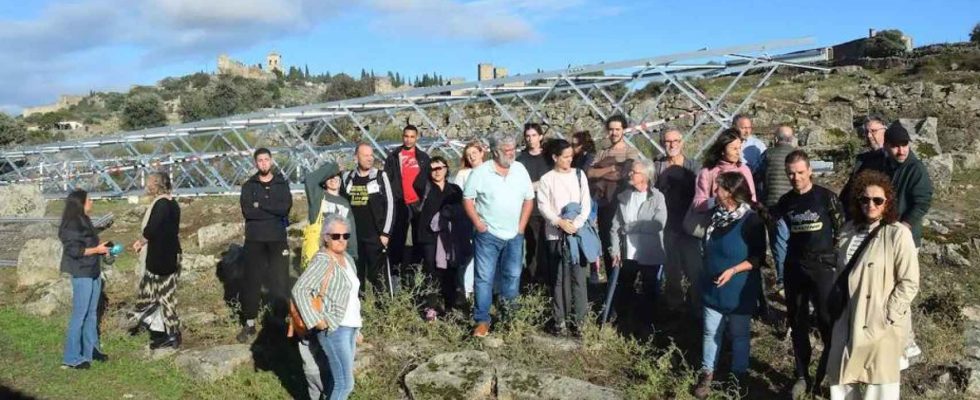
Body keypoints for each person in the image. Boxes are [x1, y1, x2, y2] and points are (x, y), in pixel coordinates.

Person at [826, 170, 919, 400]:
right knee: (840, 379)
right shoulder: (848, 230)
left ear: (887, 203)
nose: (871, 204)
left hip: (880, 323)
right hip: (847, 317)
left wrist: (888, 314)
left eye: (878, 200)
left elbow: (909, 281)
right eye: (865, 199)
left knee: (881, 387)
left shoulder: (898, 234)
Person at [771, 150, 845, 398]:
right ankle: (802, 375)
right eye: (791, 174)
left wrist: (836, 261)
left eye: (800, 172)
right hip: (795, 268)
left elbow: (842, 230)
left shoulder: (826, 197)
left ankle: (830, 375)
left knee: (827, 322)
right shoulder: (785, 201)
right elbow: (769, 220)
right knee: (797, 321)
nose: (796, 178)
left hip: (823, 268)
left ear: (810, 171)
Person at [693, 172, 767, 399]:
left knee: (739, 334)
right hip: (713, 284)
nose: (715, 193)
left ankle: (738, 374)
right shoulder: (716, 215)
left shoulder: (751, 220)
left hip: (738, 287)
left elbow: (758, 258)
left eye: (719, 189)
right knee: (710, 332)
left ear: (731, 193)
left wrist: (733, 270)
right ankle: (707, 373)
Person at [463, 132, 534, 337]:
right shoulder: (481, 173)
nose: (511, 154)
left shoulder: (520, 170)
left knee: (512, 276)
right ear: (495, 152)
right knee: (484, 278)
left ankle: (509, 318)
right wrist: (478, 223)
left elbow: (529, 199)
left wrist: (521, 227)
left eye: (513, 149)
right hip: (488, 234)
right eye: (507, 151)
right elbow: (468, 199)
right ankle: (482, 320)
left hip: (514, 235)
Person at [292, 214, 363, 400]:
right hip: (334, 328)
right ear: (325, 237)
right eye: (335, 236)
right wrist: (317, 320)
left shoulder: (347, 259)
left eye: (345, 236)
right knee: (345, 384)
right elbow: (299, 290)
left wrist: (358, 328)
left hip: (350, 326)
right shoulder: (323, 260)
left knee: (335, 381)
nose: (341, 240)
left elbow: (353, 296)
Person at [537, 139, 594, 335]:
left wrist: (575, 225)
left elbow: (586, 203)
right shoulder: (547, 179)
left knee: (579, 277)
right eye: (566, 157)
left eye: (571, 156)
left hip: (577, 235)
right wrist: (559, 222)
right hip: (555, 235)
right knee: (559, 278)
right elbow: (543, 205)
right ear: (555, 157)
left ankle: (580, 321)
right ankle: (559, 320)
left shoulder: (579, 175)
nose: (570, 160)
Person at [238, 147, 293, 343]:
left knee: (280, 280)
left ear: (271, 161)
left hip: (277, 239)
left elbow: (285, 208)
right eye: (259, 160)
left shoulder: (281, 183)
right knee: (252, 280)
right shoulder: (248, 186)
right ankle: (250, 323)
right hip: (255, 240)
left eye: (266, 160)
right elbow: (248, 212)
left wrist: (260, 205)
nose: (263, 163)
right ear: (255, 163)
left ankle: (280, 321)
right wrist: (271, 210)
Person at [609, 158, 667, 334]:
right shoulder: (625, 196)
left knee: (649, 288)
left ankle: (648, 325)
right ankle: (623, 322)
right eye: (631, 171)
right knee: (626, 287)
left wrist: (633, 226)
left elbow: (658, 224)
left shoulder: (657, 197)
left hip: (650, 253)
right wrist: (615, 250)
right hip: (628, 253)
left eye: (634, 172)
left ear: (645, 176)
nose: (630, 174)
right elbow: (615, 226)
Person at [129, 173, 183, 350]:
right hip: (171, 253)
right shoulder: (173, 203)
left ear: (156, 185)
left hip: (161, 257)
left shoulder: (160, 204)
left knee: (160, 296)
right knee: (160, 295)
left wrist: (140, 241)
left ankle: (169, 333)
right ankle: (166, 332)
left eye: (149, 182)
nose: (146, 186)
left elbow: (151, 229)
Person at [59, 189, 111, 369]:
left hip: (93, 270)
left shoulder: (85, 220)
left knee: (91, 313)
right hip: (82, 273)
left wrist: (100, 248)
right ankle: (71, 357)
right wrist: (97, 250)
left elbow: (88, 245)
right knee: (79, 315)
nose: (92, 203)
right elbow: (74, 251)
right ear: (80, 202)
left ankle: (91, 349)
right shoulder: (72, 224)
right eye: (89, 200)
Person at [654, 128, 702, 313]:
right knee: (671, 269)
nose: (672, 145)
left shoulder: (694, 166)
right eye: (668, 141)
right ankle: (674, 307)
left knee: (694, 268)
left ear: (682, 142)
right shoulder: (657, 167)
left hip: (689, 225)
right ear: (662, 143)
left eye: (676, 141)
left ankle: (697, 306)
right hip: (667, 226)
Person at [587, 115, 641, 279]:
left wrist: (602, 172)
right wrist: (609, 169)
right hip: (605, 205)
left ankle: (626, 285)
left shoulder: (631, 152)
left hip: (624, 204)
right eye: (611, 129)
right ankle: (612, 283)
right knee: (607, 244)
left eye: (617, 129)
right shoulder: (603, 153)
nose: (614, 133)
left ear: (623, 130)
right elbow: (589, 172)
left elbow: (627, 173)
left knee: (625, 244)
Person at [417, 156, 469, 319]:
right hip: (429, 237)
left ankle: (451, 304)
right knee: (432, 270)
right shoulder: (425, 187)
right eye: (433, 169)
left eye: (440, 168)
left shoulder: (454, 190)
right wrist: (427, 167)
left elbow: (462, 210)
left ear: (447, 169)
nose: (437, 172)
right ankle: (431, 306)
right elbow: (416, 182)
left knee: (450, 271)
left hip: (450, 237)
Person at [342, 143, 395, 294]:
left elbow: (390, 205)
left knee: (378, 276)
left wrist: (385, 233)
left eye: (371, 155)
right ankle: (359, 309)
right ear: (356, 158)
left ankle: (384, 311)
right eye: (365, 155)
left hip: (376, 235)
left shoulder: (380, 176)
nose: (370, 158)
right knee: (356, 274)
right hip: (354, 236)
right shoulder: (348, 178)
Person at [384, 125, 432, 287]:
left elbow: (428, 181)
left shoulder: (423, 158)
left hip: (417, 203)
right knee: (397, 239)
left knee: (419, 238)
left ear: (416, 137)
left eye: (412, 136)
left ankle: (416, 272)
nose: (409, 139)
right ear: (402, 137)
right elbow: (387, 180)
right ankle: (395, 275)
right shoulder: (393, 157)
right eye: (406, 136)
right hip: (400, 202)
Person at [758, 125, 797, 288]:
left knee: (780, 245)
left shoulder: (768, 154)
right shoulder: (797, 155)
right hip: (795, 206)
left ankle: (782, 280)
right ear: (792, 139)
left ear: (776, 139)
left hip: (773, 207)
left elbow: (759, 178)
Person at [517, 123, 551, 286]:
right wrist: (535, 186)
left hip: (550, 209)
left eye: (534, 135)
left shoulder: (549, 157)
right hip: (531, 210)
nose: (530, 139)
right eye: (528, 136)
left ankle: (548, 280)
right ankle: (533, 282)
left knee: (549, 247)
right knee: (533, 246)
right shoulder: (521, 160)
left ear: (541, 137)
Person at [304, 161, 357, 265]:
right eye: (330, 177)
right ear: (324, 181)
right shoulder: (317, 196)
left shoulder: (345, 202)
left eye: (336, 176)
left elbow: (351, 229)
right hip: (319, 248)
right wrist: (334, 167)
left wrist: (352, 252)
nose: (333, 179)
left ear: (341, 180)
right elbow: (310, 180)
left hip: (339, 250)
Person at [692, 129, 756, 213]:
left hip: (740, 221)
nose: (738, 152)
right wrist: (717, 200)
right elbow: (697, 204)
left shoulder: (744, 169)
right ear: (722, 150)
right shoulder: (707, 172)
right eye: (734, 149)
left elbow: (752, 199)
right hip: (714, 221)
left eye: (740, 148)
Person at [839, 116, 888, 220]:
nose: (869, 136)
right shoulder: (862, 159)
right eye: (866, 132)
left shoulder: (891, 159)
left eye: (873, 131)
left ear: (885, 131)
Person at [454, 140, 486, 299]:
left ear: (482, 153)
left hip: (489, 219)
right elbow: (458, 197)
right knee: (471, 255)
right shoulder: (463, 174)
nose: (472, 157)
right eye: (468, 155)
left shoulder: (490, 171)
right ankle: (467, 290)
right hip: (470, 219)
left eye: (474, 153)